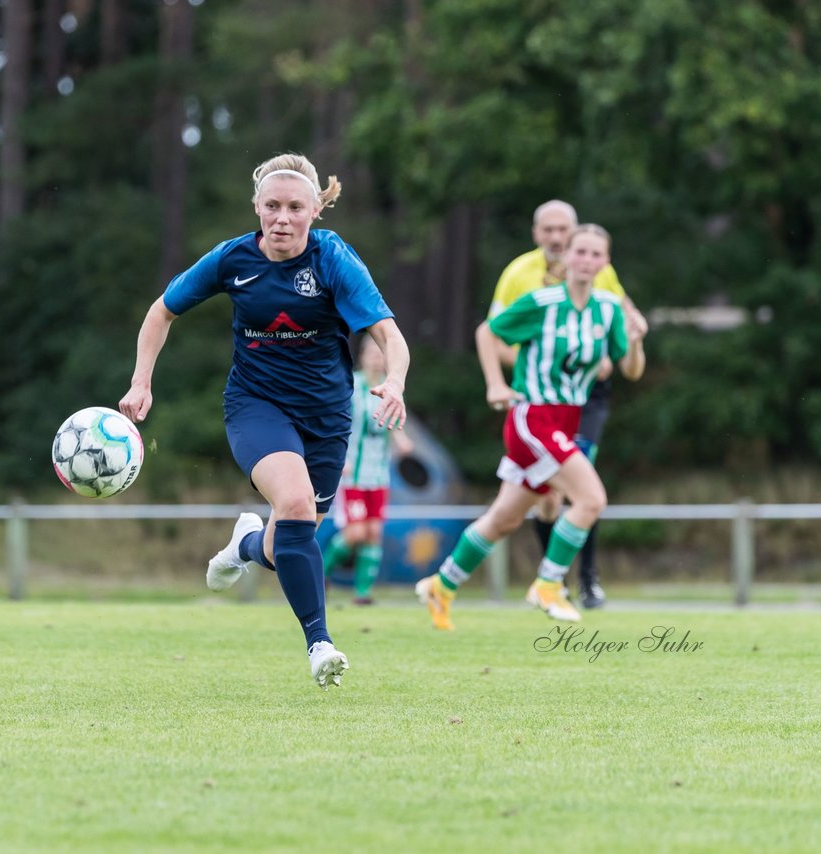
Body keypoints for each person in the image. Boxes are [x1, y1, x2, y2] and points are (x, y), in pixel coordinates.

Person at [120, 153, 408, 688]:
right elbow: (161, 311)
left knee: (285, 545)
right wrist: (142, 381)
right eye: (271, 206)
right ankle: (319, 644)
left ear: (316, 209)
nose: (281, 217)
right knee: (295, 505)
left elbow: (390, 336)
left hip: (326, 416)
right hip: (256, 405)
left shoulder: (334, 261)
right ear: (256, 207)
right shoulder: (233, 259)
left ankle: (245, 545)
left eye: (294, 207)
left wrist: (394, 381)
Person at [416, 224, 645, 630]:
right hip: (533, 418)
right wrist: (495, 384)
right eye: (581, 252)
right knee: (591, 499)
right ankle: (548, 583)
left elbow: (627, 368)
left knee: (503, 519)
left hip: (567, 420)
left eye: (596, 254)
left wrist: (637, 339)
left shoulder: (608, 309)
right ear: (566, 257)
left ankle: (442, 584)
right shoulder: (542, 301)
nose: (587, 261)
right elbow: (487, 331)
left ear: (606, 262)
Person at [486, 200, 647, 608]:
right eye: (549, 230)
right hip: (539, 399)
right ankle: (549, 578)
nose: (557, 238)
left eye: (564, 230)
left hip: (586, 397)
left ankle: (585, 580)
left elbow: (620, 337)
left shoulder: (600, 271)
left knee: (583, 486)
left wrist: (611, 350)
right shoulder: (519, 275)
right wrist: (530, 369)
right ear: (536, 233)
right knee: (548, 499)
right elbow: (496, 336)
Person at [321, 335, 414, 604]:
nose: (376, 357)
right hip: (353, 474)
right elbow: (336, 423)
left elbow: (393, 420)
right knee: (355, 533)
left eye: (380, 352)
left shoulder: (391, 388)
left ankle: (362, 593)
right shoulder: (352, 386)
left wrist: (402, 440)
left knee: (373, 533)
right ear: (361, 356)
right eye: (371, 352)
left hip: (378, 475)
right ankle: (320, 575)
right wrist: (339, 458)